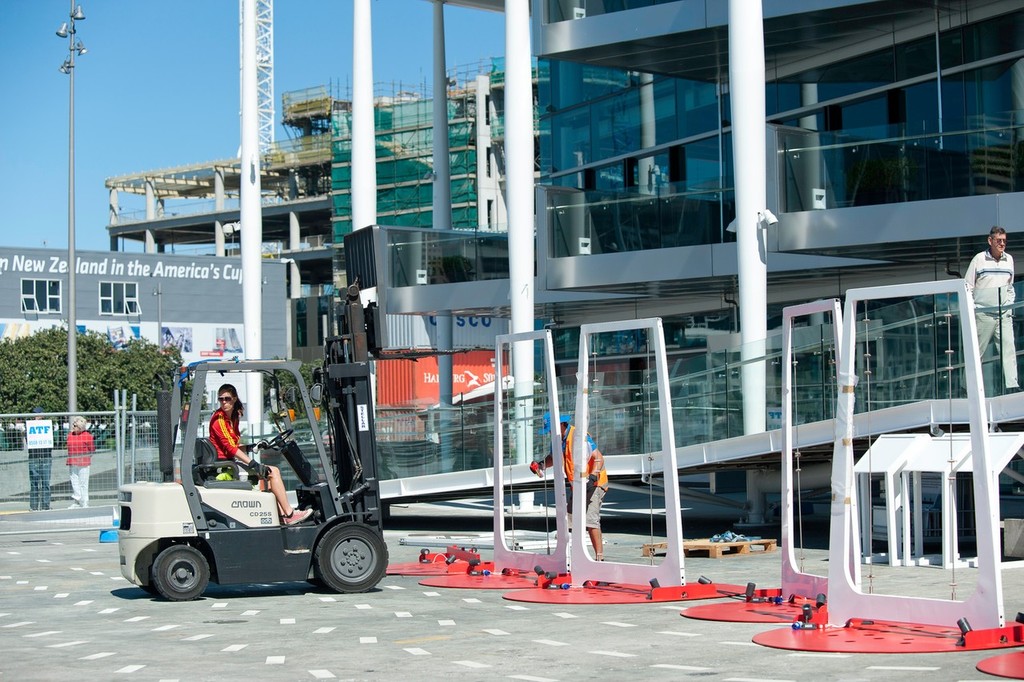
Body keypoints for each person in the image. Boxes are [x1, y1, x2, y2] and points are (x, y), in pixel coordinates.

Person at [208, 383, 313, 525]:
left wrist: (252, 447)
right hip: (225, 465)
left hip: (228, 461)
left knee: (268, 475)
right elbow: (231, 449)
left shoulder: (233, 418)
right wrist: (254, 464)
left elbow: (232, 447)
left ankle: (281, 516)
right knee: (273, 472)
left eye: (227, 399)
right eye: (221, 399)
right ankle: (289, 513)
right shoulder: (219, 420)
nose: (224, 402)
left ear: (234, 399)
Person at [531, 412, 609, 560]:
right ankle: (568, 557)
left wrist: (593, 476)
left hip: (595, 483)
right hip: (578, 484)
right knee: (569, 519)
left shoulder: (578, 436)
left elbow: (598, 457)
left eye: (551, 429)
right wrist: (541, 465)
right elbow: (554, 457)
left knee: (590, 520)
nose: (550, 433)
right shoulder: (559, 439)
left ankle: (600, 558)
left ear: (561, 425)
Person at [965, 225, 1019, 392]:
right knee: (977, 352)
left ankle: (1012, 385)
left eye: (1004, 241)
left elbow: (1010, 287)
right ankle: (967, 387)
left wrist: (1009, 305)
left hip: (1003, 314)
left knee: (1009, 349)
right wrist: (974, 308)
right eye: (999, 240)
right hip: (984, 314)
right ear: (990, 241)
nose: (1002, 244)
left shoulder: (1009, 259)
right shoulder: (979, 259)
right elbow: (968, 286)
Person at [27, 407, 53, 511]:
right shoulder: (29, 426)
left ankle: (45, 505)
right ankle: (33, 506)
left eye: (37, 414)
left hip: (45, 456)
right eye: (34, 414)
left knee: (46, 482)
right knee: (34, 482)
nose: (35, 416)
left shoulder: (47, 425)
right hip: (34, 456)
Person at [66, 416, 95, 508]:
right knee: (74, 482)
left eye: (75, 425)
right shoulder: (70, 435)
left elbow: (92, 449)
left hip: (84, 462)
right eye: (73, 425)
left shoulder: (88, 436)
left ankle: (84, 501)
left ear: (80, 427)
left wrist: (86, 456)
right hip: (72, 461)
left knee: (83, 483)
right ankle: (77, 500)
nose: (73, 426)